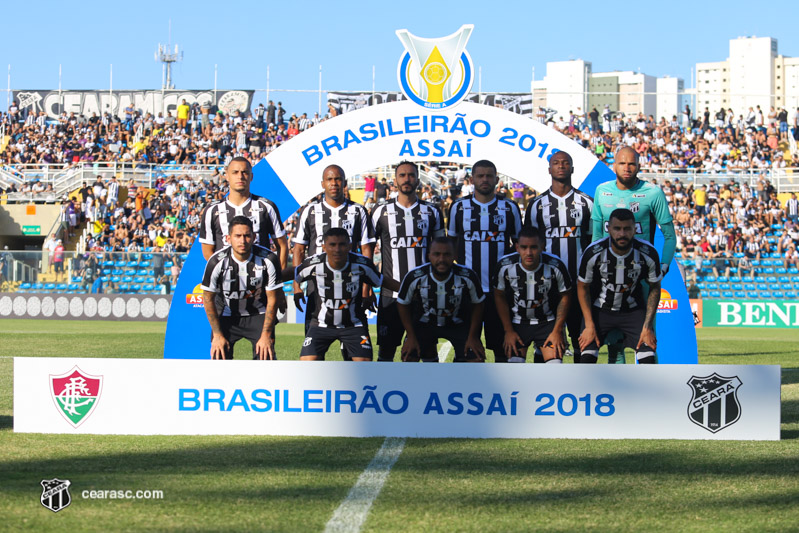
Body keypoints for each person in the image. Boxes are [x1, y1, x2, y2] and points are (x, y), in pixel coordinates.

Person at [590, 146, 675, 364]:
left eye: (631, 163)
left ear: (638, 166)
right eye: (622, 163)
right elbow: (596, 237)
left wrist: (663, 265)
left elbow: (670, 236)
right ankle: (618, 393)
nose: (627, 168)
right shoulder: (602, 191)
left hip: (641, 277)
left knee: (646, 339)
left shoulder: (653, 193)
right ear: (614, 165)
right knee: (613, 343)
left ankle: (649, 392)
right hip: (609, 275)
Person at [292, 165, 376, 360]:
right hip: (317, 289)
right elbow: (298, 249)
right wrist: (297, 287)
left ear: (344, 183)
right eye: (329, 180)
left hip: (352, 288)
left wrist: (366, 289)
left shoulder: (358, 211)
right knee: (314, 350)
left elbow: (366, 250)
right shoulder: (310, 211)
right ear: (322, 184)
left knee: (354, 353)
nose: (334, 183)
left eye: (338, 179)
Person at [448, 159, 522, 362]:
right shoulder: (458, 207)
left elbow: (519, 247)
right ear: (471, 179)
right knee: (467, 352)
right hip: (467, 292)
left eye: (489, 176)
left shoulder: (510, 208)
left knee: (503, 351)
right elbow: (451, 245)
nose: (485, 180)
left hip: (499, 292)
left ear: (497, 179)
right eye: (480, 176)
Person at [371, 161, 445, 361]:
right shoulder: (380, 211)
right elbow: (367, 251)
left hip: (424, 295)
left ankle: (431, 392)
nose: (407, 179)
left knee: (428, 353)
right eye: (402, 175)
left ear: (418, 180)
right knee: (386, 352)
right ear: (395, 180)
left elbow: (441, 253)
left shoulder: (432, 211)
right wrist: (366, 287)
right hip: (391, 295)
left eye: (411, 175)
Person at [525, 150, 593, 362]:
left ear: (572, 168)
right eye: (556, 163)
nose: (561, 166)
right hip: (547, 286)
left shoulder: (586, 202)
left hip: (579, 284)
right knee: (547, 344)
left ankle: (583, 389)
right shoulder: (536, 205)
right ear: (549, 169)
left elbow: (593, 243)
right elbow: (529, 245)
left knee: (581, 341)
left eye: (566, 163)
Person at [577, 209, 662, 365]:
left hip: (633, 311)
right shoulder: (593, 252)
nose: (622, 234)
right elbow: (582, 287)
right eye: (617, 228)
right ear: (608, 228)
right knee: (586, 357)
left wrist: (648, 326)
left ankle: (646, 389)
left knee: (648, 355)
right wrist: (589, 325)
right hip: (599, 311)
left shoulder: (648, 252)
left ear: (635, 229)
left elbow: (655, 287)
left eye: (627, 229)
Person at [201, 216, 282, 360]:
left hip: (258, 314)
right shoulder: (216, 262)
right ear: (228, 238)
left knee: (266, 358)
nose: (243, 241)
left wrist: (266, 335)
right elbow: (207, 299)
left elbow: (272, 298)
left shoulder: (269, 259)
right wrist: (218, 335)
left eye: (247, 235)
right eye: (237, 236)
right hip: (227, 314)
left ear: (254, 236)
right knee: (219, 357)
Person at [294, 228, 381, 361]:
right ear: (324, 247)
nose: (337, 249)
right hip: (321, 325)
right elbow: (295, 275)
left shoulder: (362, 264)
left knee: (365, 366)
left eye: (342, 244)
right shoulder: (313, 264)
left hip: (353, 325)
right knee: (307, 363)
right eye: (332, 245)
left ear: (349, 246)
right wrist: (296, 289)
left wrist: (406, 288)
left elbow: (383, 281)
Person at [397, 237, 485, 363]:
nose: (441, 259)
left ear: (454, 255)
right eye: (437, 254)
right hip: (424, 325)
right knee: (409, 356)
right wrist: (410, 335)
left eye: (447, 254)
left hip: (458, 325)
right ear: (429, 256)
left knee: (476, 358)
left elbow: (478, 304)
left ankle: (460, 364)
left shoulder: (468, 275)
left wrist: (473, 337)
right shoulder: (414, 276)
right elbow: (402, 303)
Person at [494, 227, 572, 363]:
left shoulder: (555, 265)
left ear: (542, 246)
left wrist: (557, 330)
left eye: (534, 247)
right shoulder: (505, 265)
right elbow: (499, 295)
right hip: (518, 323)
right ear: (517, 247)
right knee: (514, 365)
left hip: (547, 323)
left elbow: (565, 295)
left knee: (555, 366)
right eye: (524, 247)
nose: (529, 252)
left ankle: (541, 353)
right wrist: (508, 331)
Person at [199, 157, 288, 270]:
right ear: (227, 176)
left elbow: (282, 245)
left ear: (251, 176)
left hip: (262, 279)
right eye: (235, 172)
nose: (240, 176)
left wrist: (278, 277)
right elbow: (208, 252)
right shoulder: (212, 210)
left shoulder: (266, 207)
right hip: (227, 281)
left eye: (244, 172)